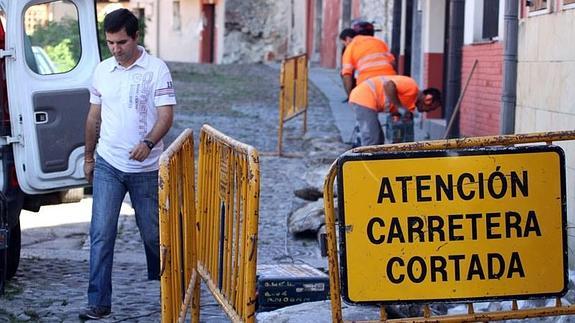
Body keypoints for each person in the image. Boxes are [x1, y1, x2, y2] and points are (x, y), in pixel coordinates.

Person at [80, 8, 176, 320]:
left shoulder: (156, 69)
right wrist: (90, 157)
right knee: (101, 233)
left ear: (135, 37)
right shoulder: (102, 71)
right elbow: (94, 116)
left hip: (146, 169)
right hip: (108, 164)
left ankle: (170, 290)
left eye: (121, 42)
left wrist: (148, 143)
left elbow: (166, 116)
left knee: (152, 235)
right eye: (110, 43)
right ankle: (98, 302)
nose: (116, 49)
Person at [348, 75, 441, 146]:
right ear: (428, 99)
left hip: (367, 100)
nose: (427, 112)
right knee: (372, 140)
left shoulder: (410, 104)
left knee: (379, 140)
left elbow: (394, 105)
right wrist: (400, 107)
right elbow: (389, 85)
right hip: (364, 98)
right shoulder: (411, 86)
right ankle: (364, 166)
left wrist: (398, 113)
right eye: (430, 109)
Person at [340, 21, 396, 99]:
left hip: (367, 84)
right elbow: (393, 63)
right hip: (389, 81)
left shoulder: (351, 47)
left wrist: (351, 96)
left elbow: (347, 75)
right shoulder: (380, 42)